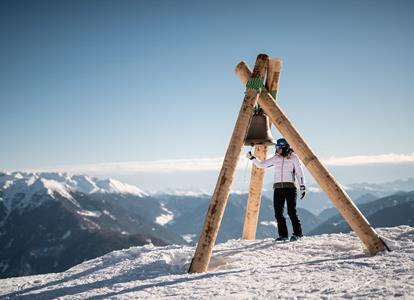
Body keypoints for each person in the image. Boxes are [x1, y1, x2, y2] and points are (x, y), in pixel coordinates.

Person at [247, 138, 306, 241]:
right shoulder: (276, 158)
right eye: (276, 147)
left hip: (290, 188)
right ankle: (283, 235)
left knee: (291, 212)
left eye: (278, 147)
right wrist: (252, 158)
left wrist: (302, 186)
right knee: (278, 213)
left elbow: (299, 172)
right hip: (278, 189)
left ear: (284, 147)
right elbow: (261, 165)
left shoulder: (293, 158)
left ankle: (298, 234)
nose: (277, 149)